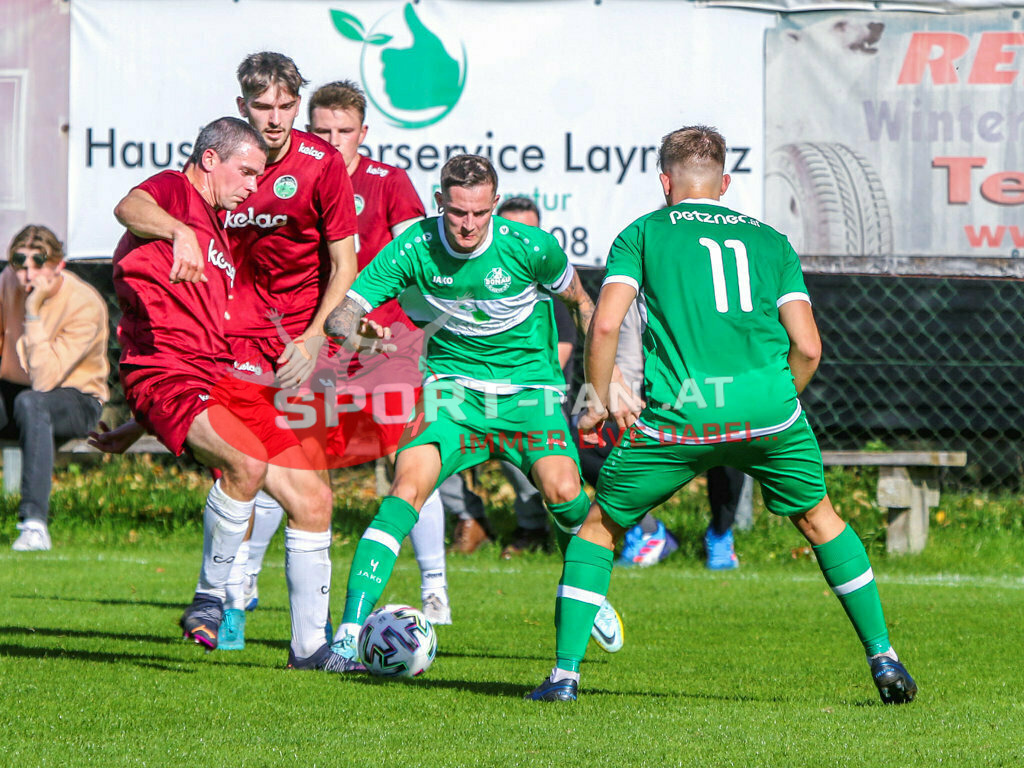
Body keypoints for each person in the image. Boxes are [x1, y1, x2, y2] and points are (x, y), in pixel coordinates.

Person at [528, 125, 917, 705]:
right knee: (821, 520)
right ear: (725, 183)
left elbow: (605, 325)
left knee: (599, 529)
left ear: (664, 183)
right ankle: (884, 657)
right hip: (769, 414)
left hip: (680, 415)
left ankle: (564, 678)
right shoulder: (771, 241)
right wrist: (777, 402)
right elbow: (809, 348)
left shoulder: (641, 234)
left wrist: (599, 394)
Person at [324, 155, 627, 662]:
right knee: (405, 489)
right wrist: (358, 328)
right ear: (440, 202)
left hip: (529, 391)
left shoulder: (531, 248)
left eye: (479, 213)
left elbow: (584, 304)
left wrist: (606, 380)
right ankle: (348, 635)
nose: (467, 225)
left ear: (494, 205)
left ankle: (586, 586)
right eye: (457, 212)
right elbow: (341, 317)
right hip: (452, 391)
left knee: (565, 490)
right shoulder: (415, 246)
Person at [105, 116, 362, 673]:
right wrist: (177, 231)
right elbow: (129, 207)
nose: (252, 185)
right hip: (167, 374)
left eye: (260, 175)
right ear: (208, 161)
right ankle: (210, 598)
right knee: (244, 461)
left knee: (314, 501)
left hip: (213, 380)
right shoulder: (176, 194)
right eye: (245, 172)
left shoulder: (220, 236)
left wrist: (138, 424)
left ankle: (310, 650)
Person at [305, 79, 451, 625]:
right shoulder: (293, 183)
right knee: (287, 458)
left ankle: (435, 587)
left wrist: (408, 331)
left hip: (385, 345)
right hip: (319, 342)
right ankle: (237, 587)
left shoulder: (387, 182)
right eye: (322, 131)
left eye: (344, 131)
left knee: (408, 463)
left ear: (363, 133)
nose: (333, 140)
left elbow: (414, 258)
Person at [435, 196, 576, 559]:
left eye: (527, 228)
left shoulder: (547, 285)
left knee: (521, 446)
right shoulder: (471, 279)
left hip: (535, 396)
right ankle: (470, 519)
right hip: (473, 393)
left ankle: (534, 527)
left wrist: (504, 395)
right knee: (429, 447)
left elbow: (559, 353)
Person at [1, 225, 109, 551]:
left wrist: (33, 312)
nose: (26, 272)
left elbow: (46, 382)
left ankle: (34, 525)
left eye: (38, 262)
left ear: (58, 264)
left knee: (33, 404)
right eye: (19, 262)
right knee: (27, 403)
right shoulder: (6, 282)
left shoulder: (84, 303)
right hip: (17, 392)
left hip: (76, 399)